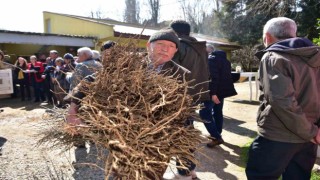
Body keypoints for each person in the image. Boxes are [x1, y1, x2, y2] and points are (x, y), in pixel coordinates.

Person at [245, 17, 320, 180]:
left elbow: (282, 102)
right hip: (308, 139)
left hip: (277, 137)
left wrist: (312, 131)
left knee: (259, 176)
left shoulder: (273, 56)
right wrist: (314, 131)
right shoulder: (314, 56)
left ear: (267, 36)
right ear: (293, 34)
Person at [169, 20, 210, 179]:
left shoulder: (179, 46)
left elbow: (172, 72)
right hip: (193, 96)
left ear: (174, 32)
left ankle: (184, 173)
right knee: (187, 132)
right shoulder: (199, 47)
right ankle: (189, 170)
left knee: (180, 136)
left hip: (178, 98)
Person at [203, 45, 237, 148]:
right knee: (217, 112)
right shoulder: (224, 60)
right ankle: (217, 133)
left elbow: (213, 78)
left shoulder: (211, 60)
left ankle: (216, 137)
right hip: (221, 91)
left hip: (213, 92)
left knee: (204, 113)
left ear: (209, 51)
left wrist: (213, 93)